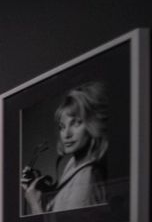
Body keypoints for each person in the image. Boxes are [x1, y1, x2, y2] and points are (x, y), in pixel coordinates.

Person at [21, 81, 108, 214]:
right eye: (62, 127)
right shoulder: (74, 163)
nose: (66, 134)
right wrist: (40, 189)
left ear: (92, 124)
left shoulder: (86, 178)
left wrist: (35, 203)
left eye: (76, 123)